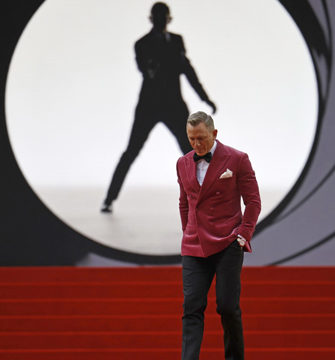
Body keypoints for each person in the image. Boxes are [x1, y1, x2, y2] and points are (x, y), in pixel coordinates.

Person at [101, 2, 216, 213]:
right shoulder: (142, 44)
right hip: (149, 106)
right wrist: (153, 67)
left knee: (192, 152)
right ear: (152, 19)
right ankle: (109, 198)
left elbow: (188, 70)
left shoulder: (176, 41)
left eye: (164, 18)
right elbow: (145, 69)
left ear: (168, 19)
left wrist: (204, 97)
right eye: (158, 17)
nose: (161, 21)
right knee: (131, 151)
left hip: (174, 105)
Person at [176, 111, 261, 360]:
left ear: (214, 134)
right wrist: (188, 231)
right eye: (191, 139)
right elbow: (184, 202)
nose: (196, 144)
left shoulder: (237, 159)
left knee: (226, 306)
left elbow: (253, 202)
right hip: (194, 245)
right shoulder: (182, 163)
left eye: (201, 138)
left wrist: (243, 235)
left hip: (227, 243)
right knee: (191, 307)